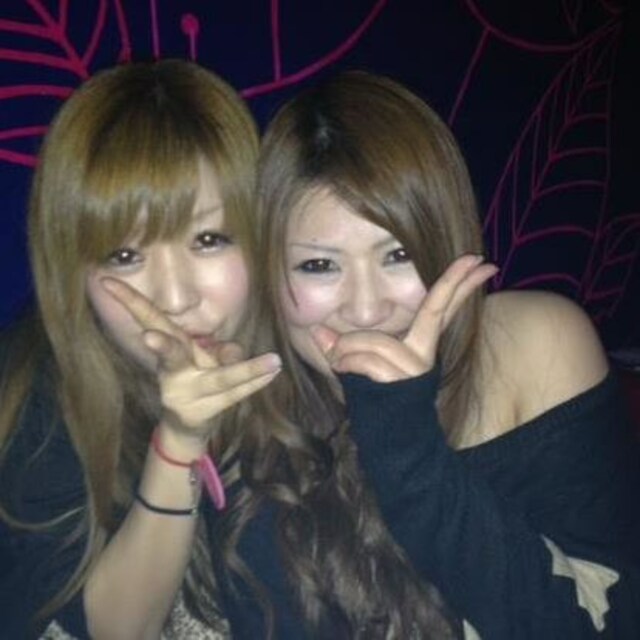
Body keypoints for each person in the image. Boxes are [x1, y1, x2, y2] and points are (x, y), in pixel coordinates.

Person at [245, 70, 640, 639]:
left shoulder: (535, 343)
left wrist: (407, 446)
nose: (366, 310)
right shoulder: (256, 417)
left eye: (398, 254)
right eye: (319, 265)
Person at [0, 59, 282, 638]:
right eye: (125, 256)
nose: (175, 298)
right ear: (74, 270)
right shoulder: (34, 393)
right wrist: (179, 443)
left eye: (209, 239)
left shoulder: (302, 347)